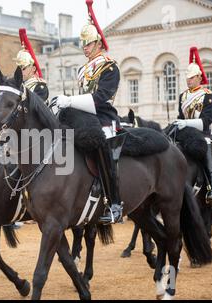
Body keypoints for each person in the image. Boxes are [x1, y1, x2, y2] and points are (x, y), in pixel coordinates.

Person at [50, 1, 124, 225]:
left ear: (99, 42)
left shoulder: (110, 66)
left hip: (103, 118)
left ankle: (114, 203)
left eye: (89, 43)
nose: (85, 47)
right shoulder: (84, 69)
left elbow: (101, 98)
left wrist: (71, 100)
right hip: (84, 118)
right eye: (83, 43)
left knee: (100, 145)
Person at [174, 47, 212, 206]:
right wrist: (179, 123)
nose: (189, 80)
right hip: (185, 133)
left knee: (205, 148)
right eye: (187, 78)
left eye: (192, 77)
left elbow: (207, 121)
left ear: (199, 77)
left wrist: (186, 123)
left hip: (201, 133)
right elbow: (181, 116)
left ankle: (211, 187)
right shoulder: (183, 96)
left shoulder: (207, 95)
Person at [16, 28, 49, 102]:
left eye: (24, 68)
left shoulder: (40, 87)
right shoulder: (18, 86)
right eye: (19, 69)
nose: (21, 72)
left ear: (33, 69)